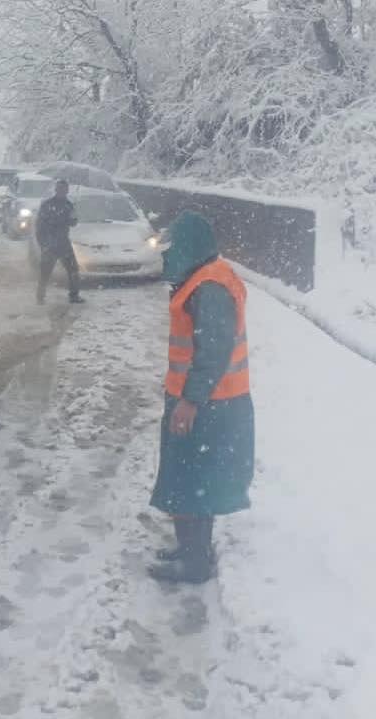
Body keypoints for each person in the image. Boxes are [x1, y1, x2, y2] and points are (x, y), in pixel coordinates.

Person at [148, 211, 255, 584]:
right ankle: (190, 550)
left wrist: (191, 401)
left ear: (190, 247)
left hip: (209, 405)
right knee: (189, 480)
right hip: (208, 401)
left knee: (193, 481)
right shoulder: (203, 277)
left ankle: (193, 564)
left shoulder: (208, 287)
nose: (166, 255)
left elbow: (213, 350)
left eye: (171, 248)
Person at [36, 179, 82, 304]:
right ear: (56, 190)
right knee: (45, 272)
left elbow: (73, 223)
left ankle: (74, 295)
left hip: (63, 243)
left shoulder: (69, 205)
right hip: (50, 243)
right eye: (60, 189)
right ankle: (40, 297)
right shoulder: (47, 205)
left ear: (67, 191)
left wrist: (73, 215)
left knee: (73, 269)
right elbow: (39, 226)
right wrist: (43, 244)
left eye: (65, 189)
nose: (63, 191)